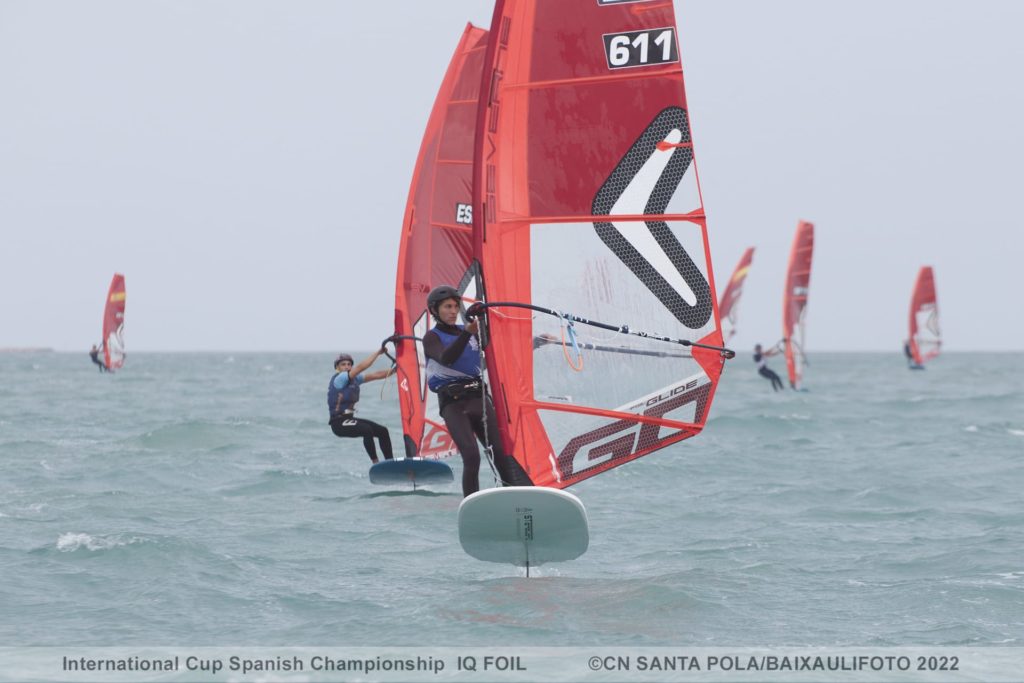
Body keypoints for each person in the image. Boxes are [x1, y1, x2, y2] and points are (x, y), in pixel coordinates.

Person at [422, 285, 533, 497]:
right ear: (435, 311)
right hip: (453, 405)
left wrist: (535, 342)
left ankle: (516, 498)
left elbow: (500, 348)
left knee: (500, 453)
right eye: (447, 307)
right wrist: (466, 333)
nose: (453, 311)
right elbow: (447, 358)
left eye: (456, 306)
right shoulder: (432, 337)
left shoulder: (473, 333)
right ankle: (472, 504)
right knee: (472, 456)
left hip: (478, 400)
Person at [328, 349, 395, 463]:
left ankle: (390, 463)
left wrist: (394, 370)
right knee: (367, 430)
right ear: (337, 368)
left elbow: (376, 375)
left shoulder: (355, 379)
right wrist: (378, 353)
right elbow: (361, 367)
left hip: (348, 420)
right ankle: (375, 462)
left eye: (349, 364)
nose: (347, 366)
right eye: (343, 364)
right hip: (338, 424)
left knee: (383, 431)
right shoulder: (340, 379)